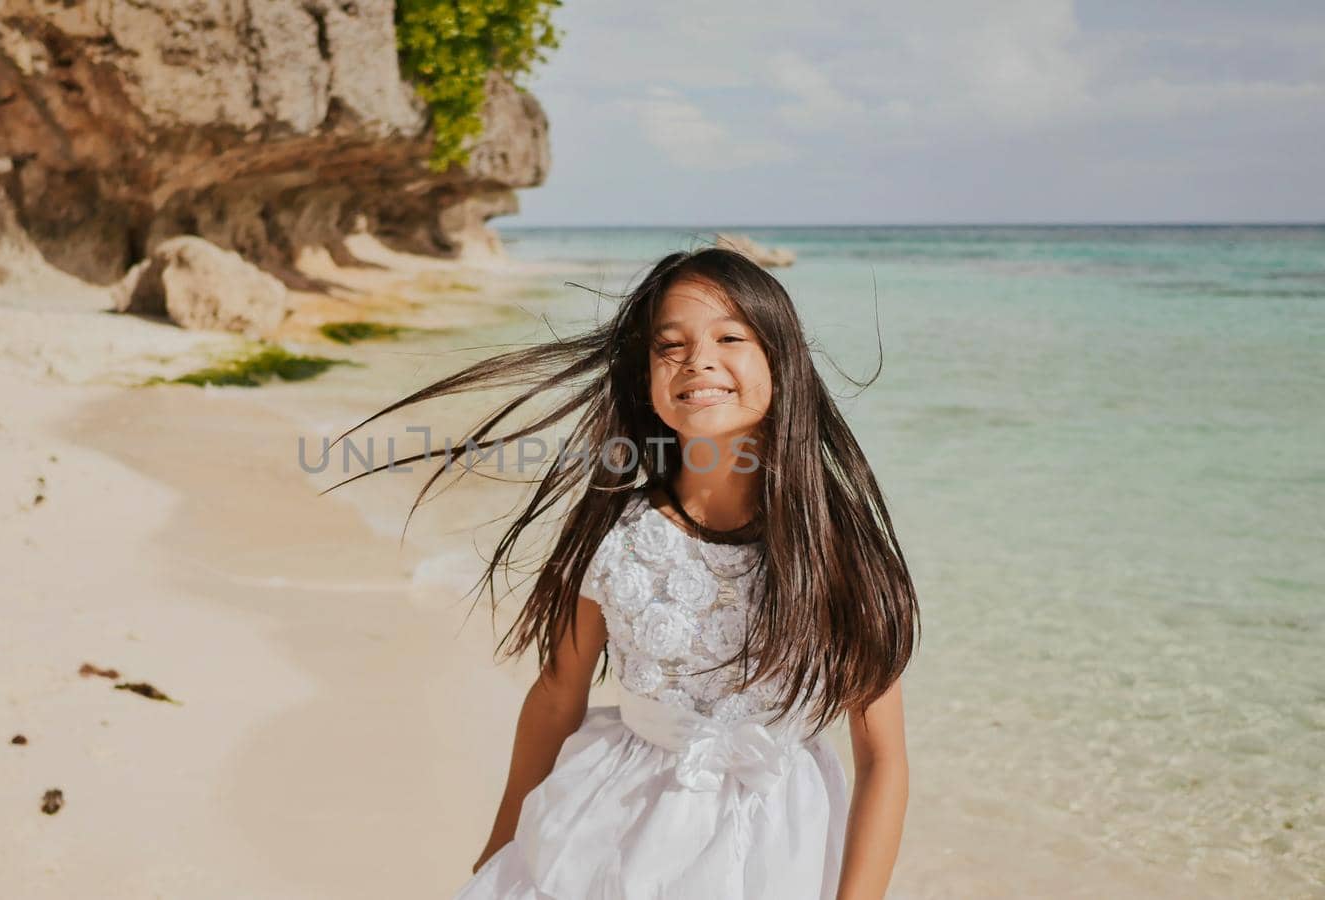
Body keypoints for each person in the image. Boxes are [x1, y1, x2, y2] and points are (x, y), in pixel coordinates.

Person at [326, 246, 916, 899]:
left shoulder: (838, 546)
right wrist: (499, 846)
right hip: (616, 832)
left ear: (782, 361)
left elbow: (882, 754)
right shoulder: (618, 532)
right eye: (670, 346)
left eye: (730, 336)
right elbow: (556, 694)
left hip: (779, 849)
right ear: (647, 380)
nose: (699, 359)